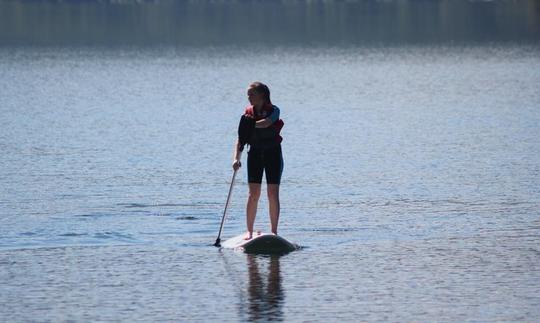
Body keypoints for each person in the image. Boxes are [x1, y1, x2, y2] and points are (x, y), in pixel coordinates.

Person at [232, 82, 284, 240]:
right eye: (248, 95)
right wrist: (236, 159)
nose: (249, 97)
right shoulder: (247, 114)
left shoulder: (274, 110)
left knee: (272, 193)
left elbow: (267, 123)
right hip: (254, 154)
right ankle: (249, 232)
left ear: (262, 95)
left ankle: (274, 232)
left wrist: (250, 126)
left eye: (252, 94)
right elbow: (241, 139)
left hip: (273, 154)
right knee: (253, 194)